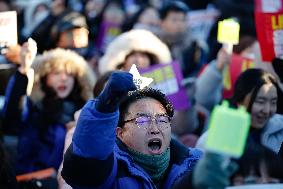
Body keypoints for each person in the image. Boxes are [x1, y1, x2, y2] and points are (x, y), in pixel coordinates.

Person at [61, 71, 202, 188]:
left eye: (162, 119)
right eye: (142, 120)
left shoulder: (197, 163)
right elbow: (84, 167)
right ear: (120, 133)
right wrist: (104, 108)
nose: (155, 129)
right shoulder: (110, 170)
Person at [2, 39, 96, 174]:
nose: (63, 78)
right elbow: (11, 115)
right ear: (45, 77)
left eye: (69, 74)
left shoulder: (85, 114)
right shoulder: (33, 109)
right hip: (31, 181)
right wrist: (24, 69)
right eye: (56, 73)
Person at [195, 68, 283, 155]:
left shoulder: (280, 131)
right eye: (260, 101)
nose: (267, 110)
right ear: (240, 101)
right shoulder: (212, 140)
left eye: (273, 102)